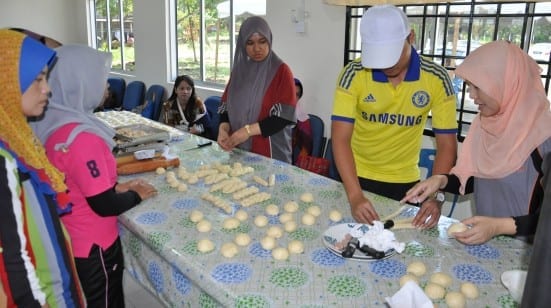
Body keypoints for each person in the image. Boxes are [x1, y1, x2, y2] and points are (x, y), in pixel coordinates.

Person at [30, 44, 158, 307]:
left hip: (71, 237)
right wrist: (137, 195)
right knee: (107, 301)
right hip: (95, 245)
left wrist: (117, 188)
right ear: (81, 83)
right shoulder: (84, 139)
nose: (107, 87)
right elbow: (103, 204)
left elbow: (79, 185)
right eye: (101, 79)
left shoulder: (56, 126)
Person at [401, 40, 551, 245]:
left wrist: (499, 226)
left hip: (532, 255)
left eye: (477, 87)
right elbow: (479, 180)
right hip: (488, 243)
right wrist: (441, 181)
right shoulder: (485, 125)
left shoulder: (544, 138)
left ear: (505, 84)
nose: (471, 96)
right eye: (468, 86)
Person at [331, 4, 458, 228]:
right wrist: (355, 196)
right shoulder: (354, 73)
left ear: (411, 37)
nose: (386, 65)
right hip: (353, 176)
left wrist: (436, 195)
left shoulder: (436, 78)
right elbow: (340, 139)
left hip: (405, 183)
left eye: (391, 55)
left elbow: (447, 145)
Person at [0, 29, 84, 307]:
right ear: (8, 81)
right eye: (38, 79)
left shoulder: (17, 137)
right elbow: (15, 256)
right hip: (41, 296)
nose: (46, 89)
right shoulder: (4, 160)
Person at [217, 16, 297, 164]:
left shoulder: (281, 72)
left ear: (269, 40)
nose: (257, 48)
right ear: (242, 45)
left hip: (271, 154)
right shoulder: (238, 73)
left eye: (262, 41)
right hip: (238, 150)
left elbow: (282, 117)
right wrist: (223, 129)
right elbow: (226, 108)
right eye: (250, 43)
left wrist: (247, 131)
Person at [160, 75, 213, 139]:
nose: (185, 92)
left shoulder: (198, 103)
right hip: (176, 138)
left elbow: (207, 126)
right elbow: (168, 128)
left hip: (196, 139)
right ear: (176, 90)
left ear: (192, 90)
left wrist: (199, 129)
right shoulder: (168, 105)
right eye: (181, 88)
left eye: (188, 89)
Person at [292, 78, 313, 164]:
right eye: (291, 92)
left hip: (284, 162)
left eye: (297, 94)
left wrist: (295, 169)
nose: (293, 97)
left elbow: (307, 148)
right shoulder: (273, 110)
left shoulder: (302, 120)